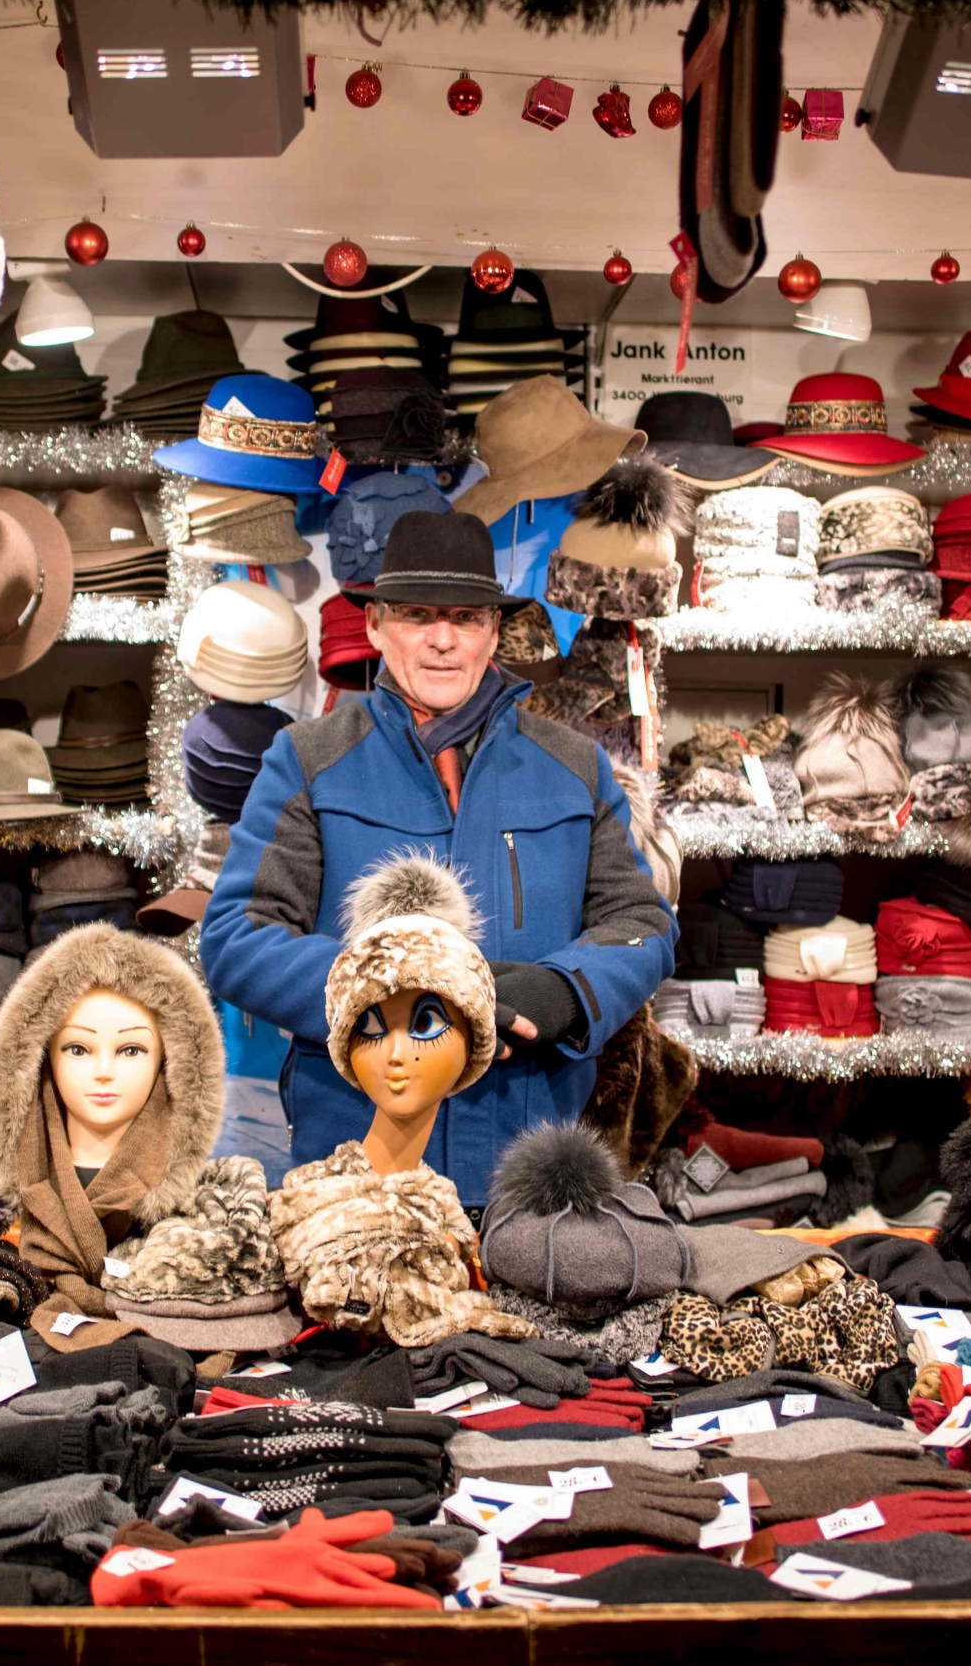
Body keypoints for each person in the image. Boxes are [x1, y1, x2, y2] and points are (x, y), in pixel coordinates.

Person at [199, 508, 675, 1206]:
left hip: (532, 1163)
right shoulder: (308, 760)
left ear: (493, 632)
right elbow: (236, 938)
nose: (443, 640)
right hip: (357, 1171)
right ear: (375, 626)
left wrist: (567, 993)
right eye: (419, 615)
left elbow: (644, 923)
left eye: (466, 616)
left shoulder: (573, 767)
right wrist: (390, 988)